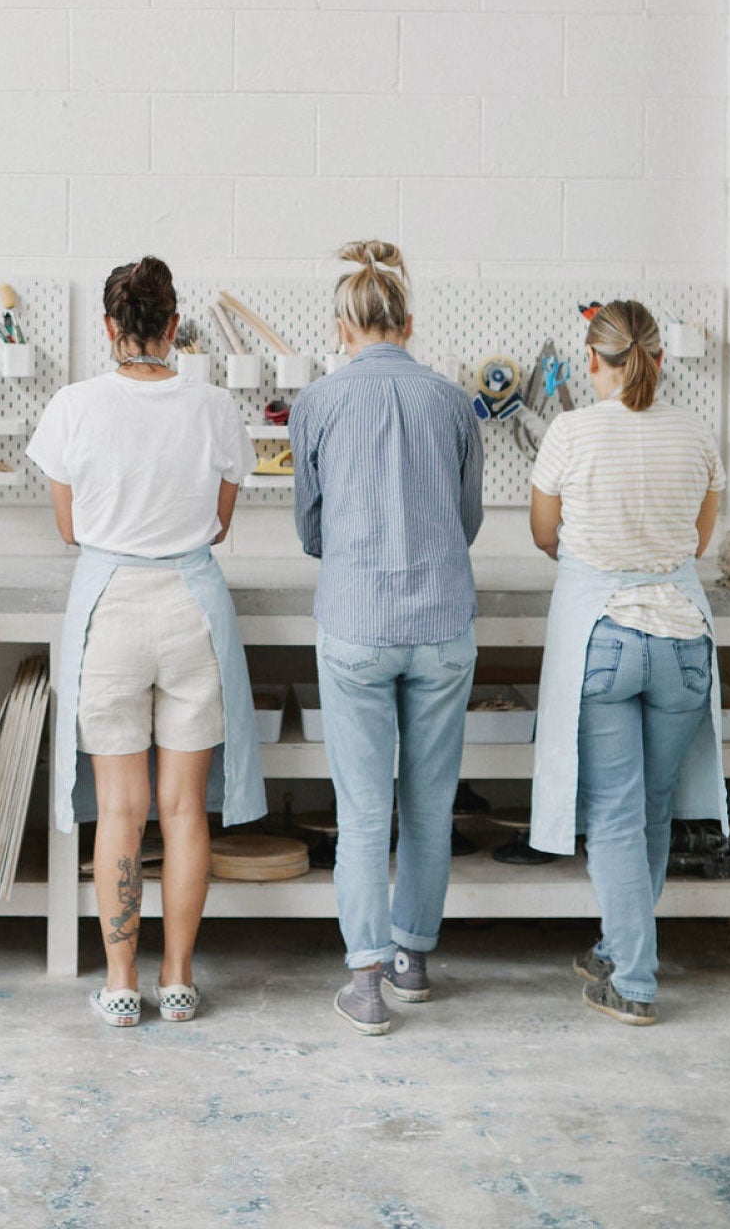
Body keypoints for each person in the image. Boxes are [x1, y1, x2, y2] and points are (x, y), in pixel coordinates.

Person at [27, 256, 264, 1028]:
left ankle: (122, 982)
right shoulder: (214, 406)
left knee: (122, 810)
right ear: (173, 327)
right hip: (192, 603)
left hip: (111, 609)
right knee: (185, 809)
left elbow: (67, 529)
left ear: (108, 329)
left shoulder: (73, 406)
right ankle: (181, 979)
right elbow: (221, 523)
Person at [290, 241, 484, 1036]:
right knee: (430, 805)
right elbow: (467, 520)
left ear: (343, 327)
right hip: (441, 623)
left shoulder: (319, 403)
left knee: (364, 811)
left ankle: (364, 981)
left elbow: (310, 525)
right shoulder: (452, 400)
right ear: (407, 322)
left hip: (357, 624)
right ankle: (414, 960)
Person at [529, 299, 727, 1026]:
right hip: (682, 643)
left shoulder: (571, 431)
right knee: (648, 810)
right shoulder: (697, 433)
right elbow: (699, 543)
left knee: (612, 813)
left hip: (606, 640)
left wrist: (593, 552)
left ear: (592, 361)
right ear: (660, 359)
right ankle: (618, 946)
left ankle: (635, 981)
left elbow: (544, 533)